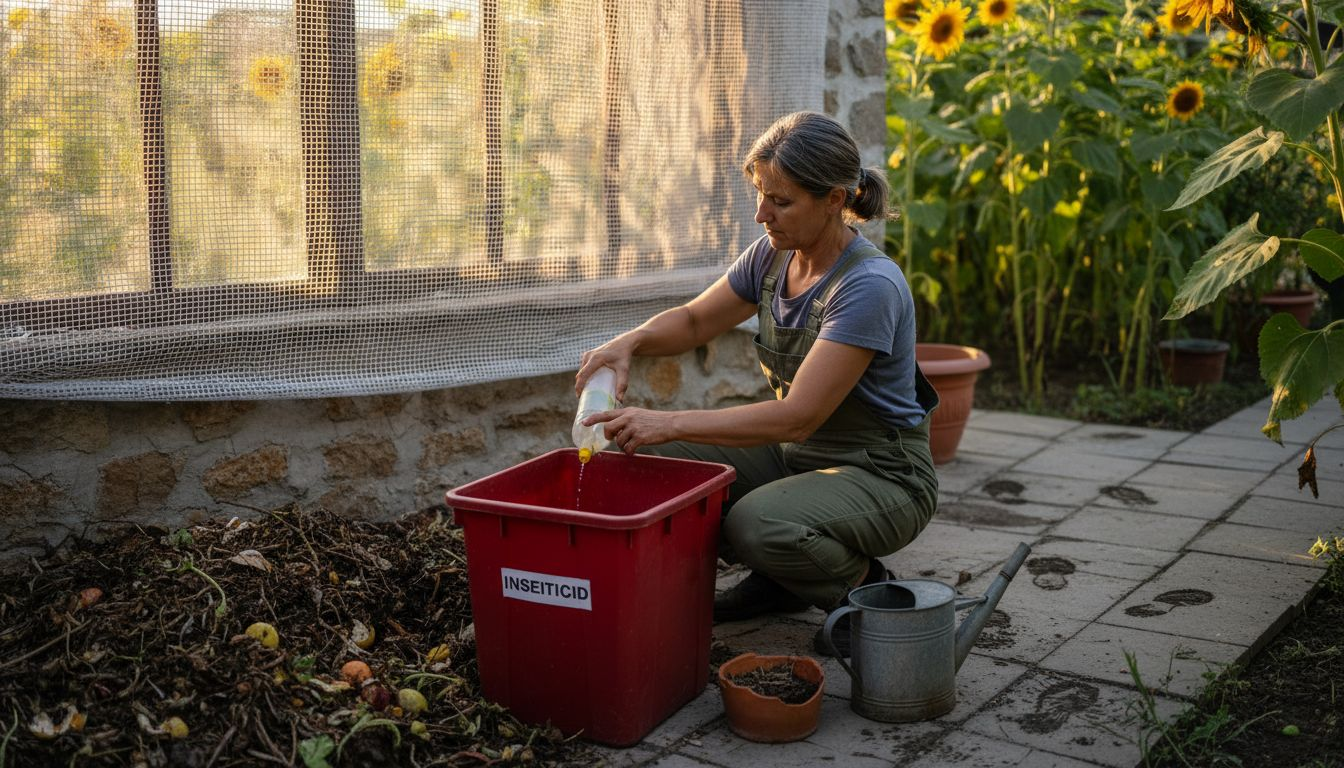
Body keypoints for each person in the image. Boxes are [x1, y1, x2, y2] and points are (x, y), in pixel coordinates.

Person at [573, 111, 939, 657]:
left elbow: (799, 416)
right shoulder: (774, 254)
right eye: (761, 194)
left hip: (882, 473)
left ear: (836, 199)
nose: (761, 214)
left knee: (756, 523)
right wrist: (630, 342)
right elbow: (697, 321)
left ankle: (866, 590)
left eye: (781, 201)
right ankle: (786, 580)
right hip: (800, 455)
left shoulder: (868, 286)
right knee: (636, 459)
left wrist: (666, 420)